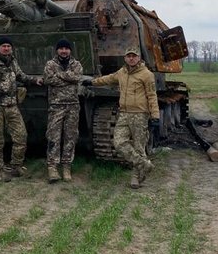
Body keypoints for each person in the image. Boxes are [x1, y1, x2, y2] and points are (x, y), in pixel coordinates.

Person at [84, 47, 159, 189]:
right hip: (124, 113)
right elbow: (108, 79)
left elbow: (152, 95)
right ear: (125, 58)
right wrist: (92, 82)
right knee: (118, 143)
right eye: (128, 56)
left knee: (139, 147)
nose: (131, 58)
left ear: (138, 58)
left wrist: (155, 116)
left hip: (139, 114)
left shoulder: (146, 75)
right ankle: (144, 164)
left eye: (134, 56)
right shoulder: (122, 72)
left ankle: (136, 177)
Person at [0, 36, 43, 181]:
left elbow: (21, 76)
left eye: (8, 46)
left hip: (12, 105)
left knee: (21, 136)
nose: (6, 48)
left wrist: (35, 80)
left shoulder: (12, 61)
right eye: (4, 46)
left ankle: (16, 165)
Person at [42, 38, 83, 183]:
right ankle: (52, 167)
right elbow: (48, 80)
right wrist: (68, 78)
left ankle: (66, 166)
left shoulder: (76, 64)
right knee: (53, 136)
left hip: (72, 105)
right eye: (61, 48)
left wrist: (58, 75)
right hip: (56, 105)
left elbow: (77, 77)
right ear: (57, 50)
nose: (64, 51)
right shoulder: (50, 64)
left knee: (70, 137)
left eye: (66, 48)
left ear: (70, 50)